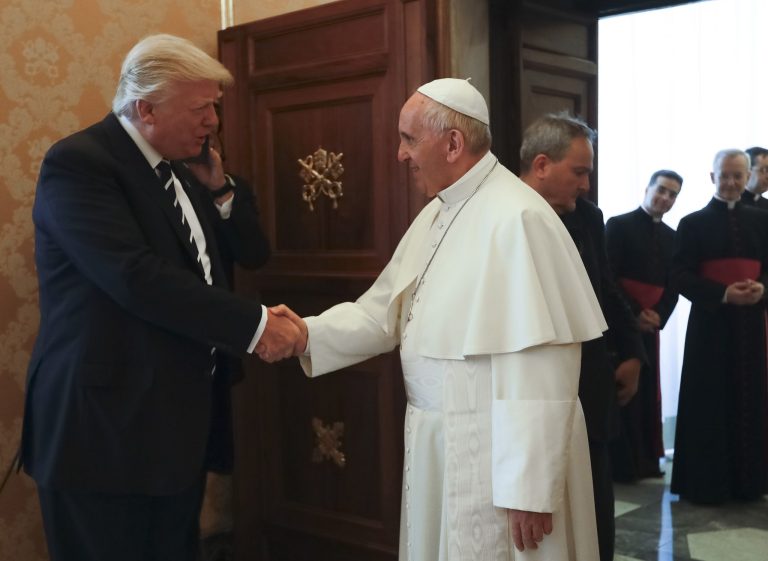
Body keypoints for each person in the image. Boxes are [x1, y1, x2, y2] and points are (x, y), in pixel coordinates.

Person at [269, 79, 605, 560]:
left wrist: (530, 488)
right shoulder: (436, 214)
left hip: (494, 455)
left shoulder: (518, 218)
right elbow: (382, 312)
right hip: (439, 439)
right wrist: (305, 334)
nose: (400, 154)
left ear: (453, 143)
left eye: (408, 139)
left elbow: (543, 363)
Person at [19, 34, 300, 561]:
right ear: (145, 108)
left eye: (213, 107)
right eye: (200, 108)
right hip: (102, 435)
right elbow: (136, 278)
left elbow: (250, 253)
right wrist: (258, 326)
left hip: (172, 434)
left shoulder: (184, 170)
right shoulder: (80, 163)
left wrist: (220, 190)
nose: (213, 121)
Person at [518, 113, 646, 561]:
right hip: (527, 394)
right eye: (579, 172)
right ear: (540, 165)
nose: (587, 184)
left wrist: (632, 353)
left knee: (594, 513)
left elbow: (605, 290)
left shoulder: (589, 218)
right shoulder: (502, 216)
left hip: (589, 386)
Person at [670, 149, 768, 504]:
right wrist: (723, 294)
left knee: (750, 399)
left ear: (748, 177)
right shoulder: (692, 223)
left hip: (751, 326)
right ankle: (706, 485)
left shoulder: (762, 221)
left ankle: (749, 483)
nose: (730, 182)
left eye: (737, 176)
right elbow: (678, 274)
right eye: (724, 175)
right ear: (712, 177)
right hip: (710, 328)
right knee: (708, 401)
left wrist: (762, 290)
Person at [606, 170, 682, 482]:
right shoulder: (618, 225)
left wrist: (659, 315)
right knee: (624, 390)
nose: (665, 198)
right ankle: (623, 465)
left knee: (649, 393)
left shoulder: (673, 236)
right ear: (648, 188)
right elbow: (608, 277)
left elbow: (674, 284)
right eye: (661, 190)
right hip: (620, 324)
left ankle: (647, 460)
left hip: (650, 325)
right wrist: (635, 312)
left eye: (672, 195)